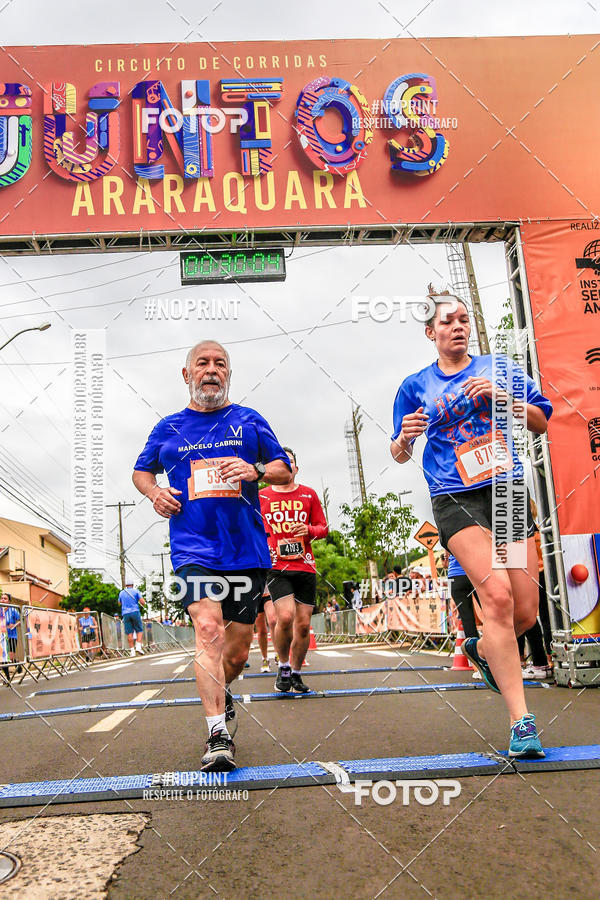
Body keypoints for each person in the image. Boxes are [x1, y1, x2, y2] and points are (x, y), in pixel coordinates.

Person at [390, 291, 553, 759]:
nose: (458, 327)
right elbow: (398, 452)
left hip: (505, 493)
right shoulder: (414, 386)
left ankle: (482, 649)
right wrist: (405, 438)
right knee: (497, 596)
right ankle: (522, 723)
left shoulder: (498, 368)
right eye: (447, 322)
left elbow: (541, 421)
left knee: (525, 612)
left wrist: (502, 400)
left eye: (463, 319)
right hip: (454, 496)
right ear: (431, 333)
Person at [133, 340, 291, 771]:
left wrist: (256, 470)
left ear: (228, 375)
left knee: (235, 653)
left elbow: (284, 468)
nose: (211, 370)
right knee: (207, 630)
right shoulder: (169, 427)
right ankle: (217, 734)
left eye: (220, 364)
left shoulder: (249, 420)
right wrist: (155, 492)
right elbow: (141, 471)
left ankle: (224, 691)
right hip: (193, 547)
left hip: (246, 550)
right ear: (187, 375)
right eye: (202, 363)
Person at [260, 447, 328, 693]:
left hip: (305, 565)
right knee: (285, 617)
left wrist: (309, 530)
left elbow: (323, 528)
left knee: (302, 625)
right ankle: (284, 666)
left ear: (296, 468)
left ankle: (296, 673)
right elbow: (251, 527)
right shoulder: (262, 496)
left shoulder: (308, 494)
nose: (285, 466)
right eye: (280, 462)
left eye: (289, 462)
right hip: (277, 566)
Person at [118, 582, 146, 657]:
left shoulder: (121, 593)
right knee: (139, 630)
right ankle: (138, 646)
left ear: (126, 585)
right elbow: (142, 602)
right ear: (132, 585)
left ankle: (132, 651)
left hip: (125, 613)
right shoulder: (136, 591)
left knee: (129, 632)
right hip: (135, 611)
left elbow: (119, 603)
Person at [255, 586, 277, 672]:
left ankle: (278, 653)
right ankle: (265, 659)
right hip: (255, 594)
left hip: (269, 592)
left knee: (273, 621)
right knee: (261, 630)